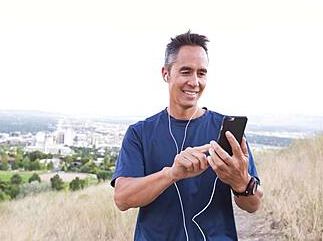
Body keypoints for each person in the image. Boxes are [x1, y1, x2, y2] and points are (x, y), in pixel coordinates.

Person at [111, 31, 263, 241]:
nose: (194, 82)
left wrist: (241, 182)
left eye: (201, 73)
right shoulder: (139, 133)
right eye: (186, 71)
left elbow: (253, 205)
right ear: (166, 74)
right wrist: (171, 174)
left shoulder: (226, 131)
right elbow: (122, 199)